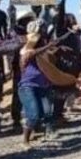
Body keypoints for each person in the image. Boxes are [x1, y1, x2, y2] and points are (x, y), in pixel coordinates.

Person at [18, 20, 57, 150]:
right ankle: (25, 141)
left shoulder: (45, 47)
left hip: (43, 86)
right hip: (28, 86)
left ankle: (38, 132)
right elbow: (29, 54)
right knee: (33, 115)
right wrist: (48, 46)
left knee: (45, 112)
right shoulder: (27, 48)